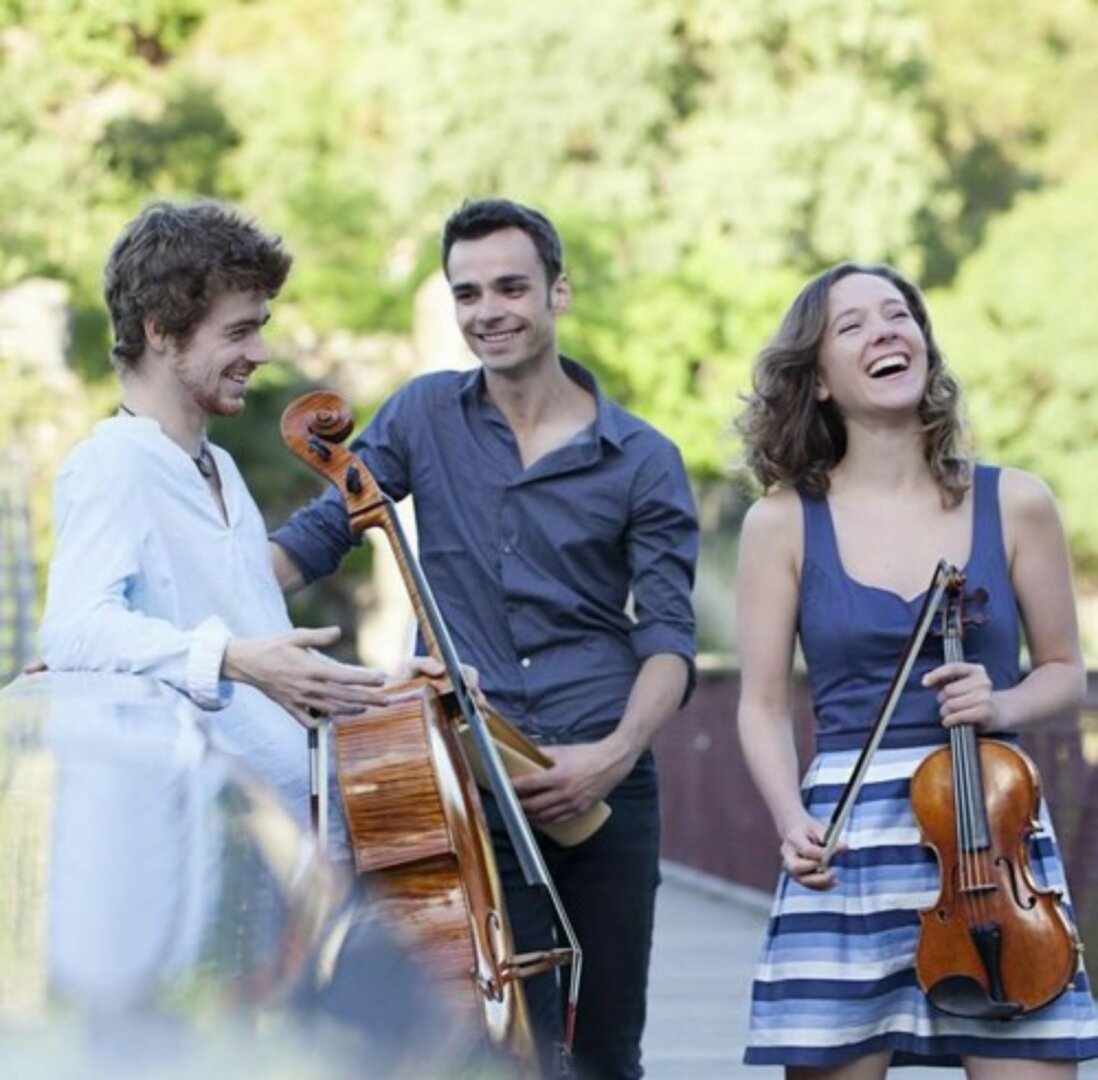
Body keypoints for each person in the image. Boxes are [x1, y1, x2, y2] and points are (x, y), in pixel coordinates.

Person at [270, 197, 699, 1078]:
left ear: (558, 291)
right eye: (467, 294)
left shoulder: (643, 457)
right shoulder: (423, 415)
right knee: (497, 1039)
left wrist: (613, 755)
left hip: (603, 782)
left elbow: (667, 639)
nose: (488, 312)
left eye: (510, 287)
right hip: (463, 775)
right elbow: (315, 539)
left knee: (606, 1045)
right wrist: (182, 625)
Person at [734, 261, 1098, 1076]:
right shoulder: (783, 521)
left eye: (898, 315)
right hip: (850, 841)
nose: (885, 332)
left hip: (991, 831)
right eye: (852, 325)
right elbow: (759, 705)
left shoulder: (1018, 502)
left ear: (924, 346)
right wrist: (790, 817)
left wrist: (998, 705)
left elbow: (1065, 672)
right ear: (819, 378)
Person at [38, 199, 397, 849]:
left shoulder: (219, 466)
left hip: (290, 848)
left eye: (259, 327)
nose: (259, 353)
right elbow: (74, 629)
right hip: (214, 855)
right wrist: (234, 659)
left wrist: (390, 688)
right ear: (160, 331)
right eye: (237, 332)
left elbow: (263, 648)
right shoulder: (110, 464)